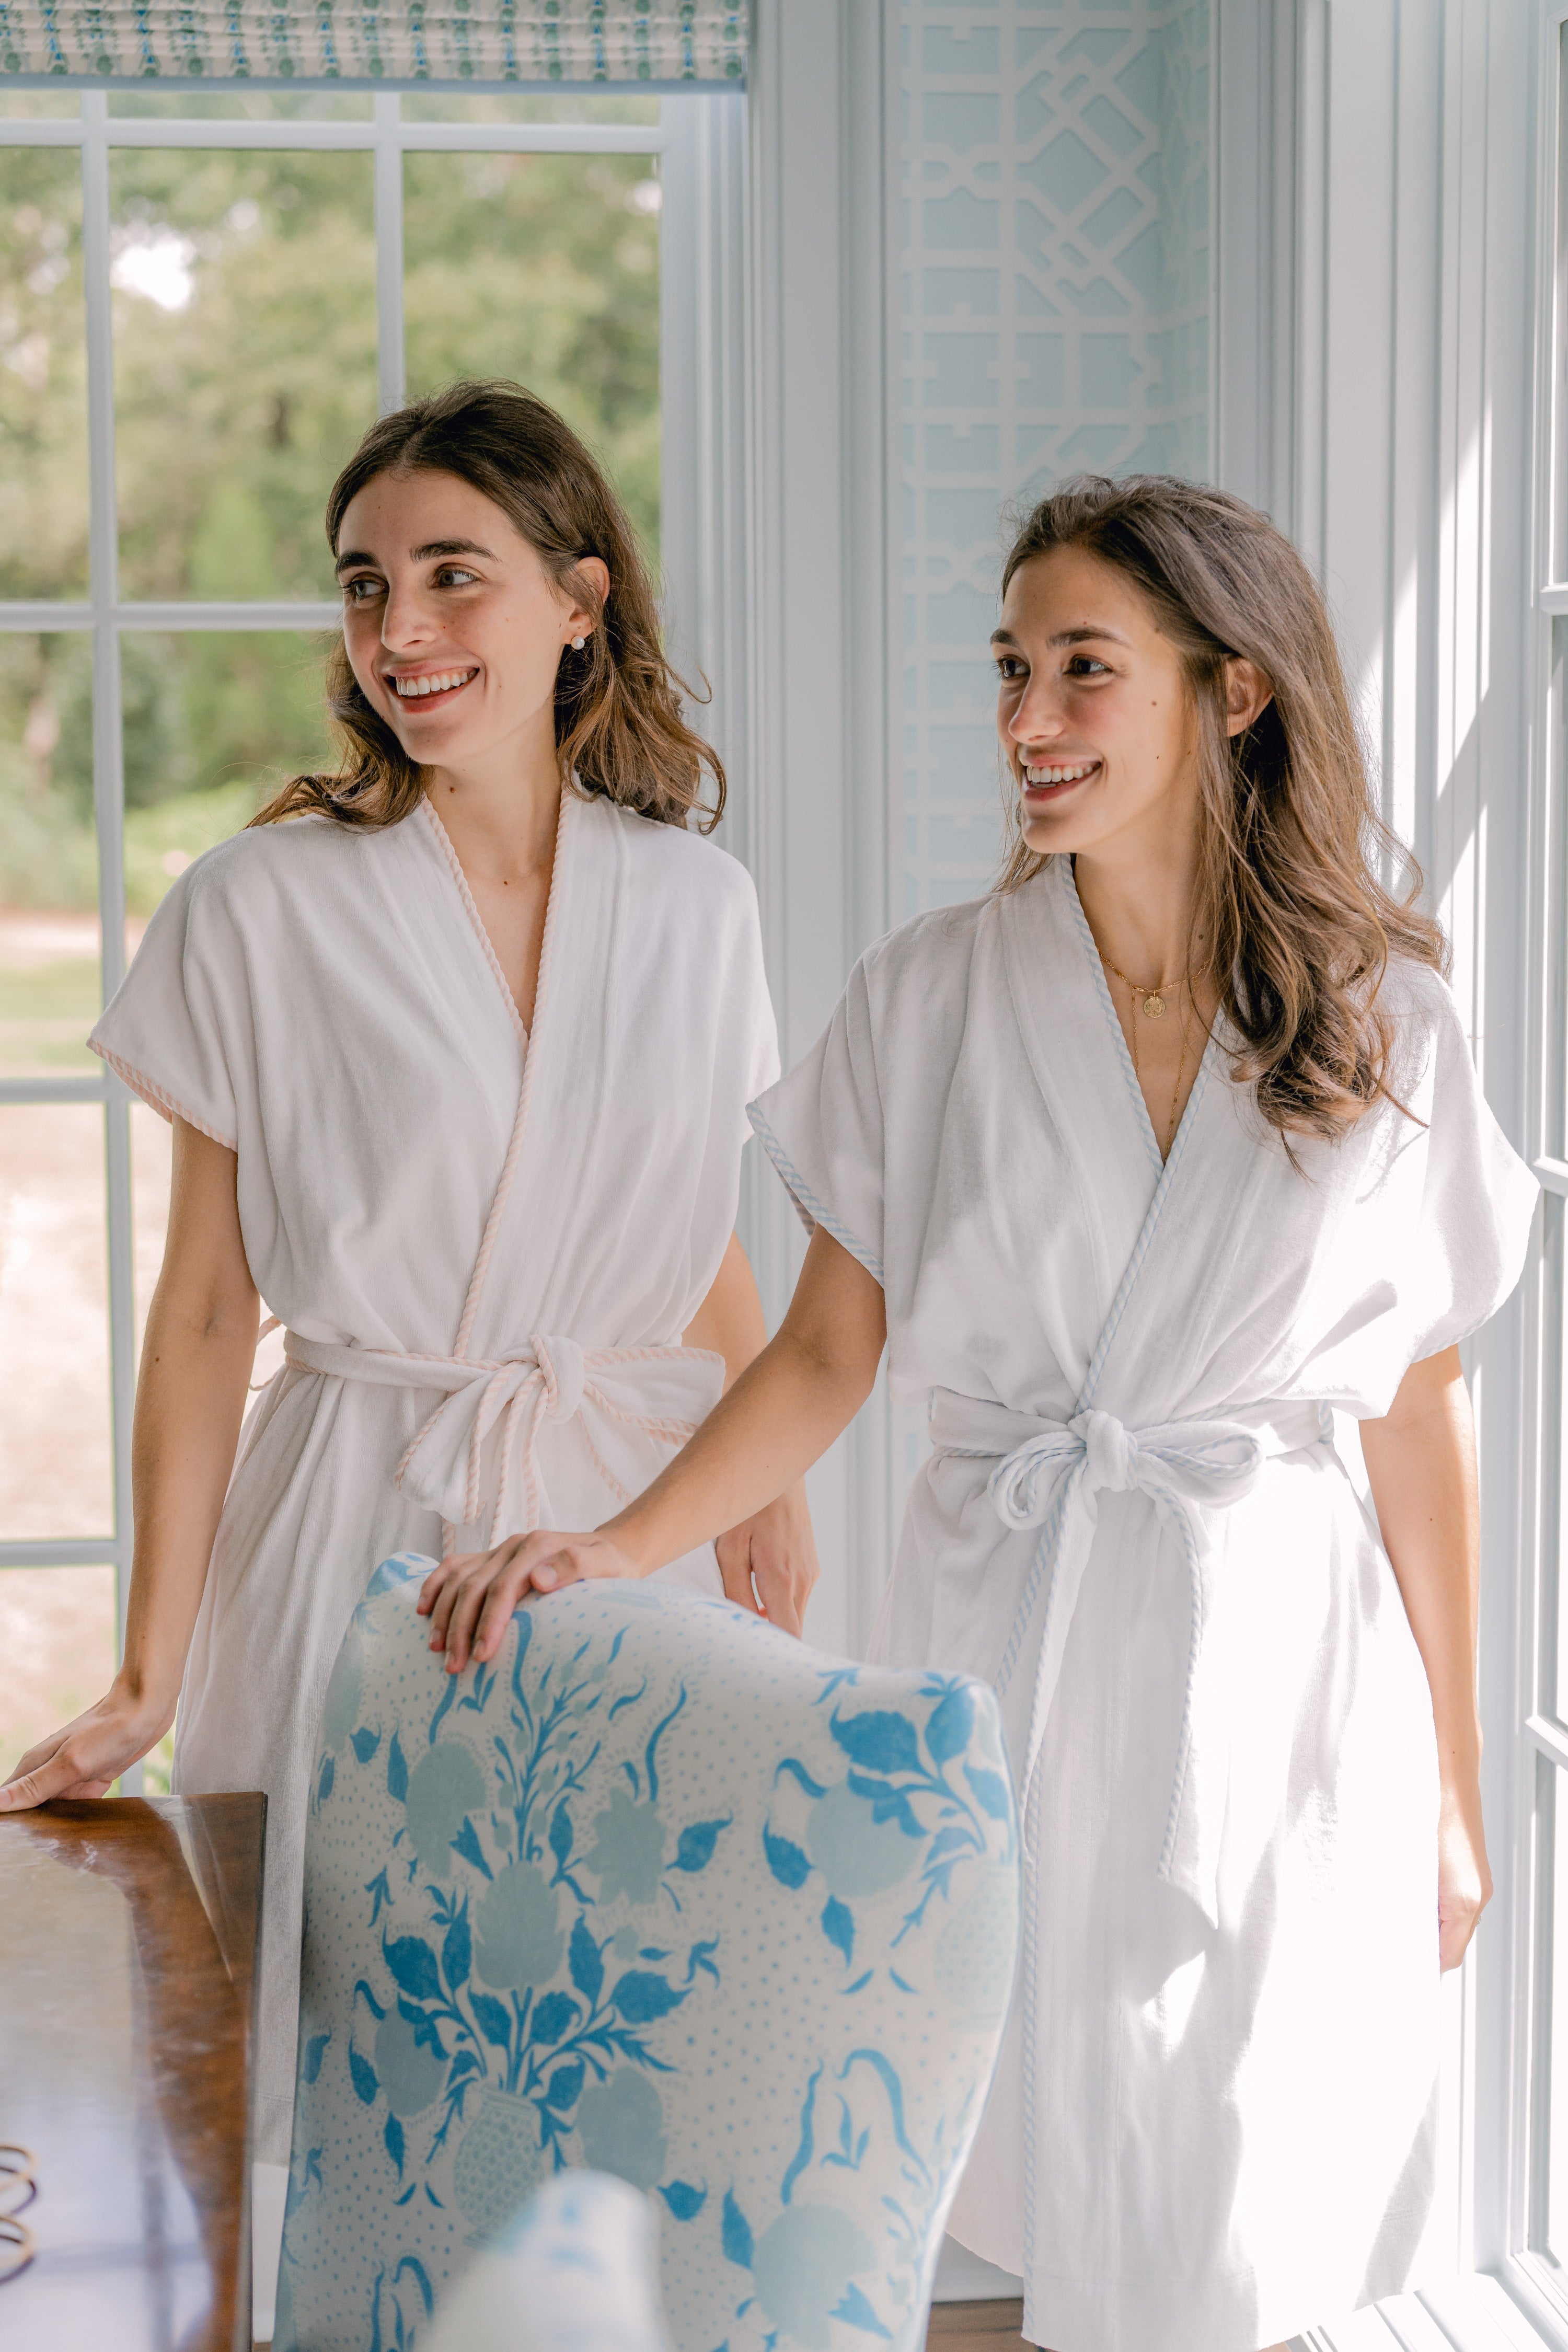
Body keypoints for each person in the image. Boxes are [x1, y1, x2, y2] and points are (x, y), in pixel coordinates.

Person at [417, 476, 1541, 2352]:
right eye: (1011, 669)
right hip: (1003, 1641)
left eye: (1085, 669)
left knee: (1233, 2195)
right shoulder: (932, 994)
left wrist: (1451, 1774)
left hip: (1275, 1670)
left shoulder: (1385, 1016)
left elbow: (1418, 1414)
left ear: (1234, 691)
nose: (1028, 716)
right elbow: (820, 1354)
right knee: (973, 2187)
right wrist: (618, 1541)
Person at [0, 381, 816, 2190]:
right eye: (367, 585)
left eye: (456, 574)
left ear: (580, 601)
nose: (402, 630)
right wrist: (147, 1667)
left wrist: (765, 1480)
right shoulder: (261, 903)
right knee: (344, 2065)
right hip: (357, 1516)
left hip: (628, 1524)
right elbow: (204, 1313)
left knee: (617, 2050)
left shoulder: (701, 906)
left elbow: (690, 1224)